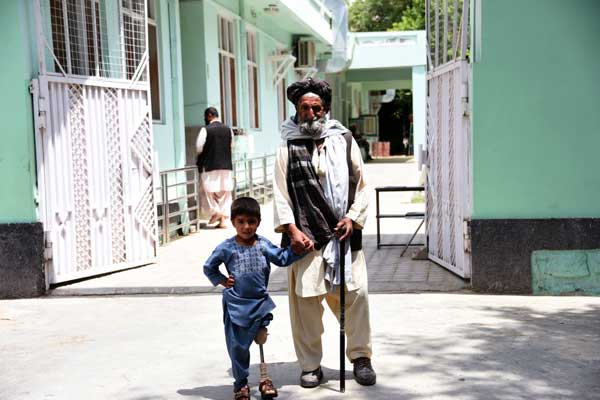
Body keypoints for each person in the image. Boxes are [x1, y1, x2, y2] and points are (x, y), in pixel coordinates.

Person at [273, 77, 377, 388]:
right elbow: (280, 193)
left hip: (343, 235)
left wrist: (352, 217)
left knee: (355, 298)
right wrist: (291, 230)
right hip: (305, 238)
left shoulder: (344, 140)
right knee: (305, 304)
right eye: (303, 108)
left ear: (325, 109)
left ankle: (361, 358)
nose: (309, 113)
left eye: (315, 108)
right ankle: (310, 366)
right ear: (296, 110)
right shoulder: (287, 145)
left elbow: (363, 185)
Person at [203, 197, 305, 400]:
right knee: (238, 347)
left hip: (259, 304)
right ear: (233, 222)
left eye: (251, 222)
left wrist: (299, 250)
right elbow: (209, 267)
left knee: (260, 340)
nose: (246, 227)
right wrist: (223, 280)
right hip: (236, 305)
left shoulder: (263, 245)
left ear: (258, 222)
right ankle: (241, 385)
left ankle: (264, 379)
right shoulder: (227, 248)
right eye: (240, 221)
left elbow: (282, 258)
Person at [196, 107, 234, 228]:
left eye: (205, 117)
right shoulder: (229, 130)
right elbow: (231, 146)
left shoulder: (205, 130)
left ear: (209, 116)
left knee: (208, 191)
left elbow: (198, 147)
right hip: (226, 166)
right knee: (225, 193)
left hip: (209, 166)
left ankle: (216, 212)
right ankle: (223, 220)